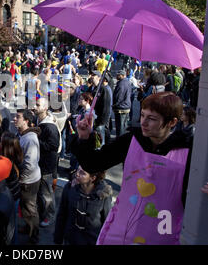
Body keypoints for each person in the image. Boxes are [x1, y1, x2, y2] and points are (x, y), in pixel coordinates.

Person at [72, 92, 193, 245]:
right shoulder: (131, 140)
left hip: (162, 233)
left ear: (172, 122)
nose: (143, 122)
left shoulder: (188, 151)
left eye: (152, 118)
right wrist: (84, 138)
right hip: (123, 227)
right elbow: (93, 164)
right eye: (142, 115)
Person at [54, 166, 112, 245]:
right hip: (70, 239)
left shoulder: (103, 195)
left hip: (91, 241)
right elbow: (62, 214)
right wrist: (58, 238)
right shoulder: (70, 187)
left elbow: (107, 222)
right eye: (78, 170)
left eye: (82, 173)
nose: (77, 174)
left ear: (93, 178)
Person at [14, 109, 41, 244]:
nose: (14, 119)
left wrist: (21, 178)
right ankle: (28, 227)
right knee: (25, 208)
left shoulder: (30, 139)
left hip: (28, 181)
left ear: (26, 121)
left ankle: (34, 236)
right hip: (25, 179)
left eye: (18, 117)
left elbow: (30, 165)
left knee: (30, 209)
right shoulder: (21, 134)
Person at [34, 97, 60, 228]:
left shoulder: (50, 126)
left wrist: (35, 140)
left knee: (47, 194)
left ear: (45, 108)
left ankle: (50, 216)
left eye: (38, 105)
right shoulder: (38, 120)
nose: (35, 106)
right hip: (40, 163)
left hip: (47, 166)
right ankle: (43, 213)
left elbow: (54, 146)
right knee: (41, 193)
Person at [0, 131, 23, 244]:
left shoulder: (4, 163)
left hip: (8, 198)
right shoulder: (17, 157)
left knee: (9, 228)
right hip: (15, 195)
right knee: (12, 225)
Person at [113, 69, 132, 138]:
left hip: (121, 108)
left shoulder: (121, 84)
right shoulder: (127, 82)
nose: (117, 76)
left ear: (123, 76)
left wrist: (115, 105)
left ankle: (120, 141)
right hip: (126, 106)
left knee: (120, 127)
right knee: (124, 125)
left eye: (118, 75)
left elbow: (119, 97)